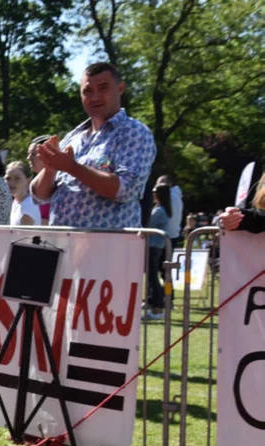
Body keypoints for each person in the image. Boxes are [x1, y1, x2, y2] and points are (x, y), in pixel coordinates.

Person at [31, 62, 156, 230]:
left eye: (103, 88)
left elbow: (126, 189)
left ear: (120, 88)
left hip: (107, 249)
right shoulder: (73, 137)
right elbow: (39, 197)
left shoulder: (134, 132)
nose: (95, 96)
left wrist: (72, 167)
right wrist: (51, 168)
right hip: (62, 247)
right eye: (87, 91)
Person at [144, 183, 172, 320]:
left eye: (155, 192)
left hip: (153, 246)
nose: (153, 194)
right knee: (152, 277)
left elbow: (147, 224)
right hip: (156, 246)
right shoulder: (162, 209)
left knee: (153, 278)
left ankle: (157, 308)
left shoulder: (160, 211)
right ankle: (156, 304)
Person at [5, 161, 40, 226]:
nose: (11, 183)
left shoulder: (28, 206)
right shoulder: (16, 202)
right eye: (8, 178)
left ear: (28, 181)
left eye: (17, 178)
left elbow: (25, 236)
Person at [27, 135, 52, 225]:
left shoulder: (57, 182)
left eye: (33, 154)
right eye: (28, 154)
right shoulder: (30, 183)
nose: (28, 158)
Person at [159, 174, 183, 248]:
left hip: (164, 236)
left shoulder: (169, 197)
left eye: (158, 183)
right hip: (174, 234)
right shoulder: (178, 196)